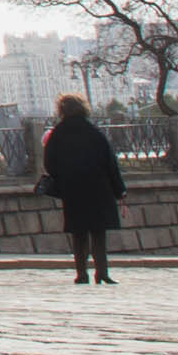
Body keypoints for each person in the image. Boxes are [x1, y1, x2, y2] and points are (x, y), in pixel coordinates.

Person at [43, 93, 125, 284]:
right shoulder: (94, 133)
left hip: (73, 190)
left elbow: (49, 164)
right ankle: (102, 273)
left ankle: (81, 273)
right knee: (98, 232)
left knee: (78, 232)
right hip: (99, 188)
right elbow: (110, 163)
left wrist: (63, 180)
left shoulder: (57, 134)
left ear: (61, 110)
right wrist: (119, 189)